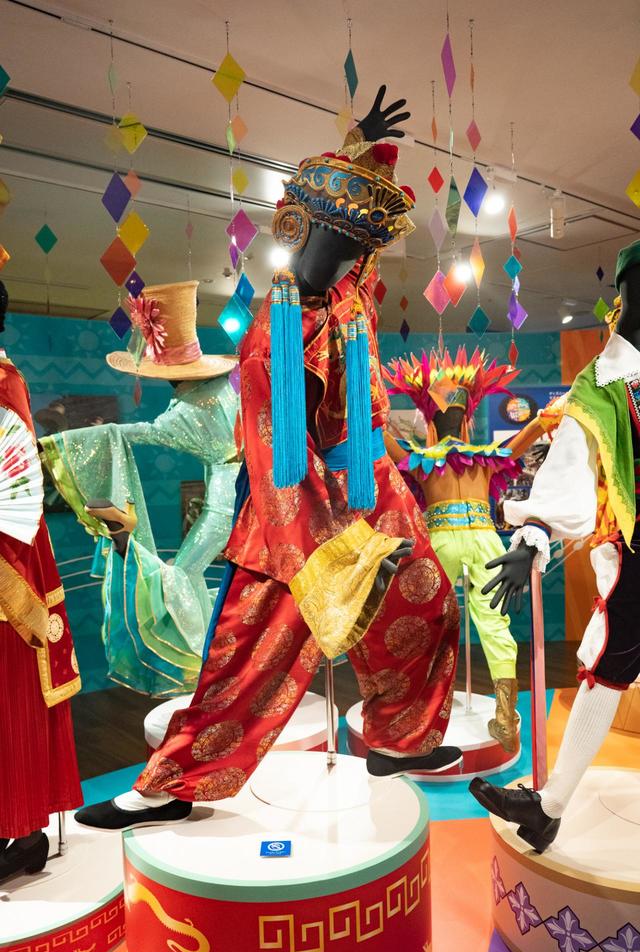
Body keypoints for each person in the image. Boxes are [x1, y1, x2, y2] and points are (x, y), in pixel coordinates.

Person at [74, 85, 462, 832]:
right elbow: (278, 451)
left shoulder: (350, 300)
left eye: (354, 247)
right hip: (298, 508)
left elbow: (354, 238)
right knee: (250, 658)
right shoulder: (276, 333)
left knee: (431, 604)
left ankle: (395, 739)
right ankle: (167, 786)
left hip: (371, 487)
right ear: (298, 230)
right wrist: (336, 552)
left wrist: (359, 149)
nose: (346, 256)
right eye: (334, 242)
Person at [470, 238, 640, 853]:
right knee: (607, 666)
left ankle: (547, 808)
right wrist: (536, 531)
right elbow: (573, 458)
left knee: (610, 665)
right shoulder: (605, 383)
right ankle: (549, 807)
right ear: (625, 295)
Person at [40, 281, 239, 696]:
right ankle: (212, 660)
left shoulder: (192, 407)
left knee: (181, 574)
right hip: (233, 496)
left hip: (225, 506)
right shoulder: (219, 389)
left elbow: (145, 432)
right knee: (192, 575)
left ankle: (197, 662)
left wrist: (64, 443)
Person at [383, 348, 559, 753]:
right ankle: (505, 716)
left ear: (431, 421)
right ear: (466, 419)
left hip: (441, 537)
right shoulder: (485, 459)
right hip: (482, 537)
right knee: (493, 622)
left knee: (429, 621)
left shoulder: (422, 459)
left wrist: (370, 417)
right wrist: (544, 418)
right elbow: (522, 440)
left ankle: (420, 712)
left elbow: (386, 444)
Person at [0, 280, 83, 880]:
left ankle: (23, 829)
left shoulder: (5, 383)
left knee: (12, 688)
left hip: (8, 550)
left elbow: (15, 486)